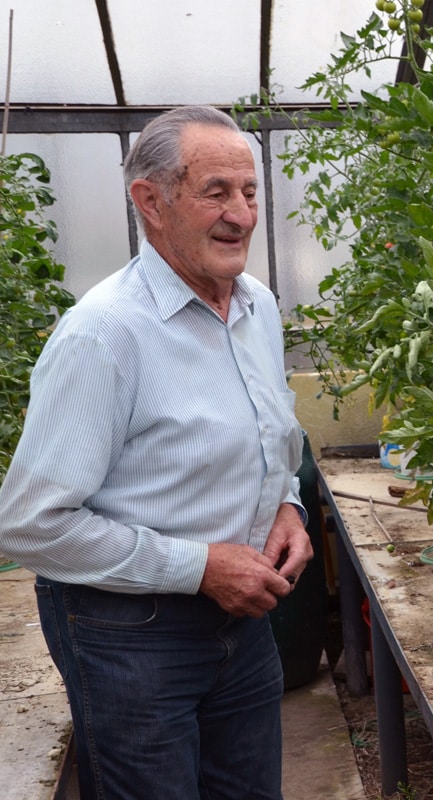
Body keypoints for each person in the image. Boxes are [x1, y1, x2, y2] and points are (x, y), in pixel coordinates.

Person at [0, 105, 314, 799]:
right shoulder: (104, 334)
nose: (242, 215)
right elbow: (28, 524)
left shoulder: (256, 307)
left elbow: (270, 435)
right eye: (215, 193)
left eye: (250, 191)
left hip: (245, 622)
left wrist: (286, 506)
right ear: (150, 201)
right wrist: (200, 567)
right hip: (131, 637)